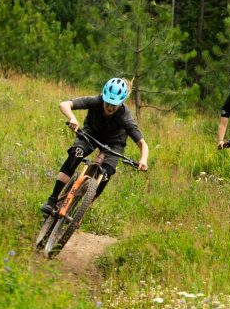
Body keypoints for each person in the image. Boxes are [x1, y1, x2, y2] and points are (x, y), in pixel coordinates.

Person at [40, 77, 149, 215]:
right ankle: (52, 199)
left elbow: (142, 144)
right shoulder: (95, 101)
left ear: (121, 102)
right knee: (76, 153)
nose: (110, 107)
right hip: (91, 134)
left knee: (105, 174)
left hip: (114, 143)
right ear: (103, 96)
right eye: (108, 103)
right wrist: (72, 118)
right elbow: (64, 104)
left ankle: (81, 210)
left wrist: (143, 160)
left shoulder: (125, 116)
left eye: (114, 105)